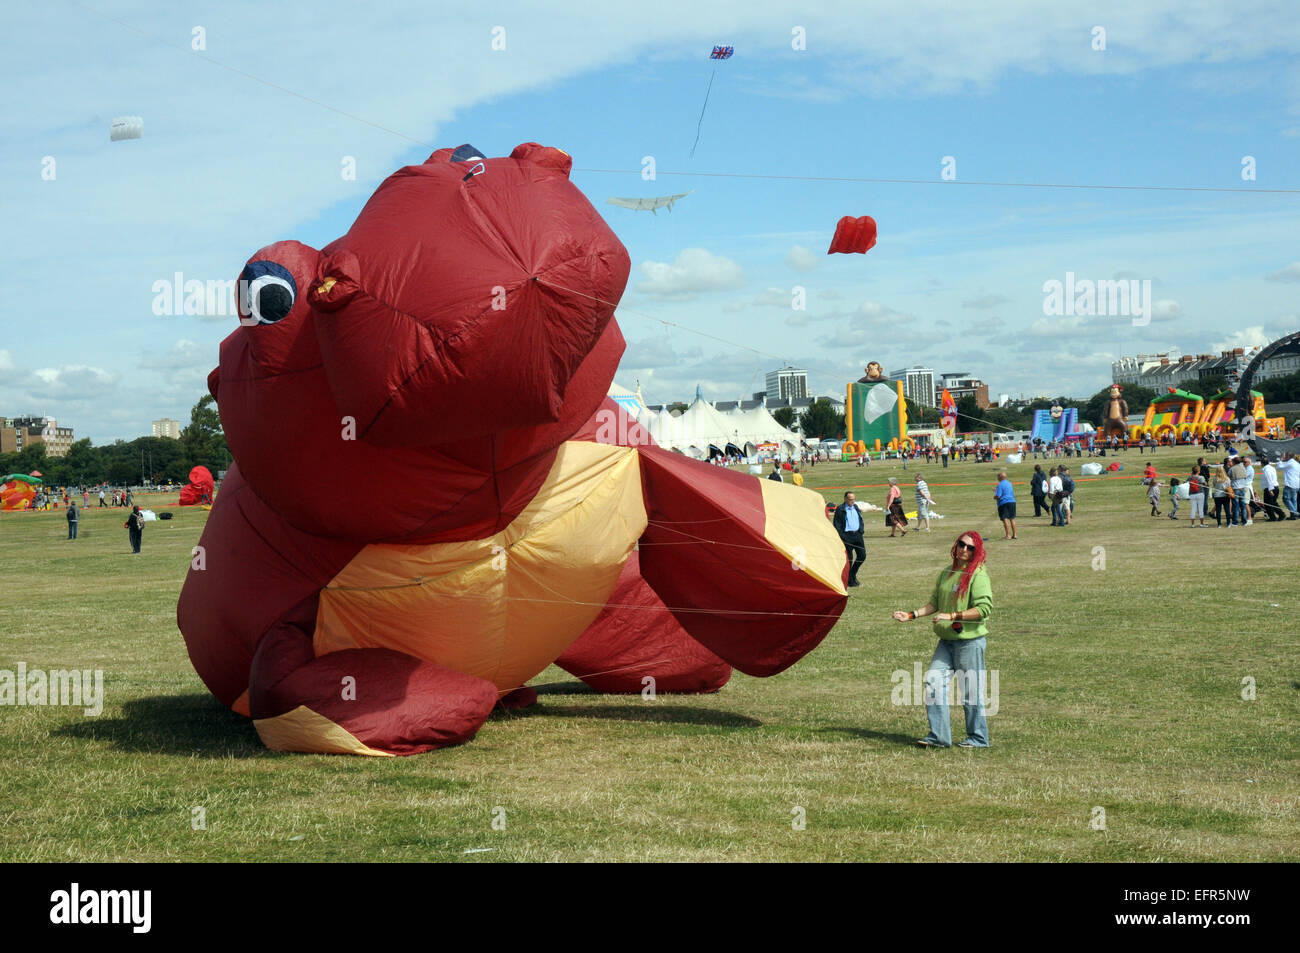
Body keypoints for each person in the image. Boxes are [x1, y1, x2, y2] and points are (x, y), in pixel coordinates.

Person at [891, 531, 993, 749]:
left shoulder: (978, 574)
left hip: (969, 642)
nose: (964, 550)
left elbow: (984, 609)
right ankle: (939, 737)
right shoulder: (947, 572)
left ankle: (978, 738)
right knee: (934, 682)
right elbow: (934, 603)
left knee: (970, 692)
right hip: (946, 641)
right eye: (962, 545)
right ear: (956, 546)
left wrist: (953, 615)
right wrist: (911, 615)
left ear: (976, 552)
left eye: (970, 548)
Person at [832, 491, 866, 588]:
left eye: (853, 499)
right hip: (847, 537)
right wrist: (843, 536)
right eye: (850, 499)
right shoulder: (840, 509)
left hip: (857, 536)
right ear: (845, 499)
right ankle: (849, 580)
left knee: (862, 556)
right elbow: (837, 525)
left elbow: (860, 519)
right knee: (849, 559)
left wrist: (861, 531)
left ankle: (852, 575)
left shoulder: (855, 507)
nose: (852, 501)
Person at [993, 471, 1016, 539]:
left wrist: (994, 497)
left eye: (998, 477)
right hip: (1012, 501)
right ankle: (1014, 535)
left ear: (1000, 477)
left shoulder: (1000, 484)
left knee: (1005, 519)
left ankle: (1008, 535)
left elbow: (998, 496)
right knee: (1012, 518)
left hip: (1004, 503)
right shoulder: (1009, 483)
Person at [1278, 452, 1300, 519]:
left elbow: (1279, 466)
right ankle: (1293, 515)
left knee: (1286, 499)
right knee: (1293, 500)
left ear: (1288, 456)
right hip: (1297, 484)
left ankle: (1295, 513)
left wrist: (1281, 459)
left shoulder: (1290, 463)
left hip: (1290, 484)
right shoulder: (1297, 463)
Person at [1260, 456, 1282, 521]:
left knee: (1268, 504)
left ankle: (1273, 518)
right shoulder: (1272, 468)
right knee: (1273, 503)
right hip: (1275, 487)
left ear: (1262, 463)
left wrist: (1270, 490)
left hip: (1270, 488)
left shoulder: (1266, 470)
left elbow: (1269, 480)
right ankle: (1281, 515)